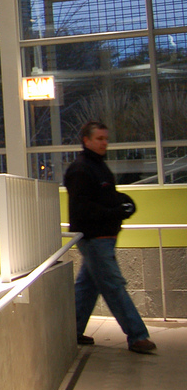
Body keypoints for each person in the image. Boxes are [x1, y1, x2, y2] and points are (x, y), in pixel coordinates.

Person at [65, 121, 156, 354]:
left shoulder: (98, 167)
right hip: (95, 239)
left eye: (106, 139)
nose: (105, 143)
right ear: (86, 140)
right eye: (99, 139)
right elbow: (83, 209)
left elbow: (106, 195)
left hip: (103, 237)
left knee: (87, 286)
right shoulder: (81, 170)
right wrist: (116, 211)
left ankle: (70, 331)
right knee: (114, 286)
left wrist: (124, 203)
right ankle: (137, 335)